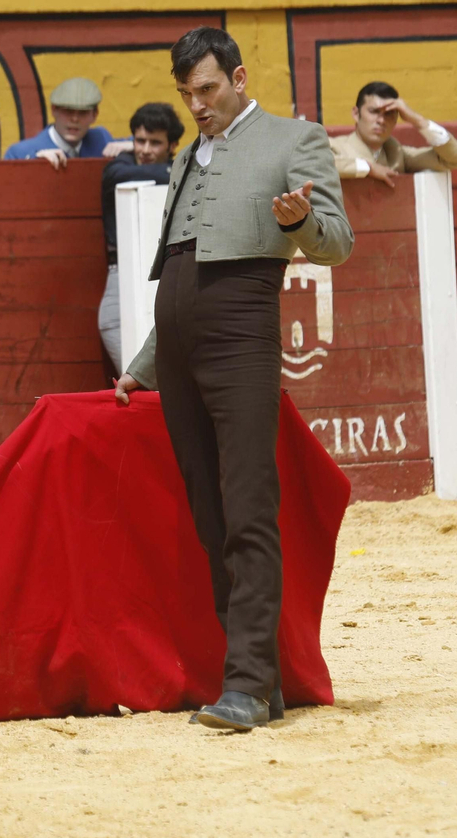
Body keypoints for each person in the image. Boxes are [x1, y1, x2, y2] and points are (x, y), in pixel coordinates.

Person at [112, 26, 354, 731]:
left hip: (242, 335)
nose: (197, 105)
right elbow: (182, 269)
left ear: (239, 78)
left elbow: (338, 242)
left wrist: (301, 221)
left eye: (208, 89)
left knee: (247, 506)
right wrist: (144, 366)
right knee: (210, 515)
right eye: (186, 93)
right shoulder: (185, 157)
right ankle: (258, 677)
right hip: (178, 350)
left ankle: (246, 684)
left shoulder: (294, 140)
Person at [97, 102, 186, 363]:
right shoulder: (120, 167)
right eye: (139, 141)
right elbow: (117, 174)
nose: (145, 150)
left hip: (171, 268)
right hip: (122, 267)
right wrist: (174, 170)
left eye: (155, 143)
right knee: (111, 321)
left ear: (172, 145)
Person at [328, 81, 457, 186]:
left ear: (397, 118)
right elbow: (320, 165)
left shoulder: (397, 154)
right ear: (356, 113)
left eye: (389, 114)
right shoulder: (334, 146)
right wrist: (368, 168)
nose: (381, 120)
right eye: (374, 112)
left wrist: (418, 121)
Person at [2, 77, 115, 170]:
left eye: (83, 113)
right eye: (68, 111)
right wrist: (33, 165)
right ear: (54, 110)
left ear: (95, 115)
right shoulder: (19, 154)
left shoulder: (101, 139)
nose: (75, 119)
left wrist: (126, 148)